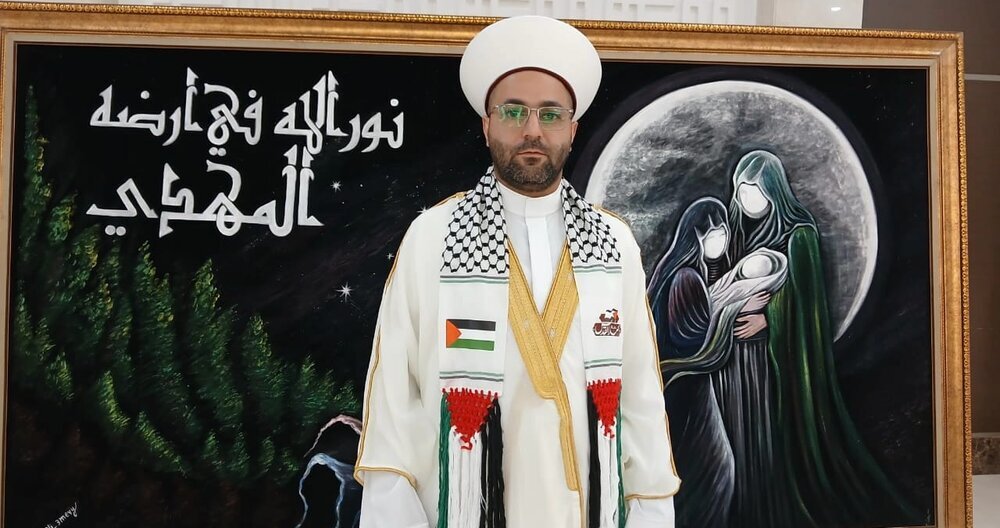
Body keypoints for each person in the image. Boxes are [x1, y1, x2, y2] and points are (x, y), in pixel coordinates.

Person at [353, 15, 680, 528]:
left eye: (551, 114)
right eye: (513, 111)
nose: (532, 130)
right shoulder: (433, 237)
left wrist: (651, 515)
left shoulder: (614, 244)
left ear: (572, 129)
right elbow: (395, 398)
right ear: (487, 125)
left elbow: (639, 400)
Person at [725, 149, 918, 526]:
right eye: (740, 191)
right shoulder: (740, 233)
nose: (744, 200)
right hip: (740, 361)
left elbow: (807, 305)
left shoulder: (800, 235)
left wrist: (768, 320)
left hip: (778, 359)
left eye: (752, 191)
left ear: (773, 190)